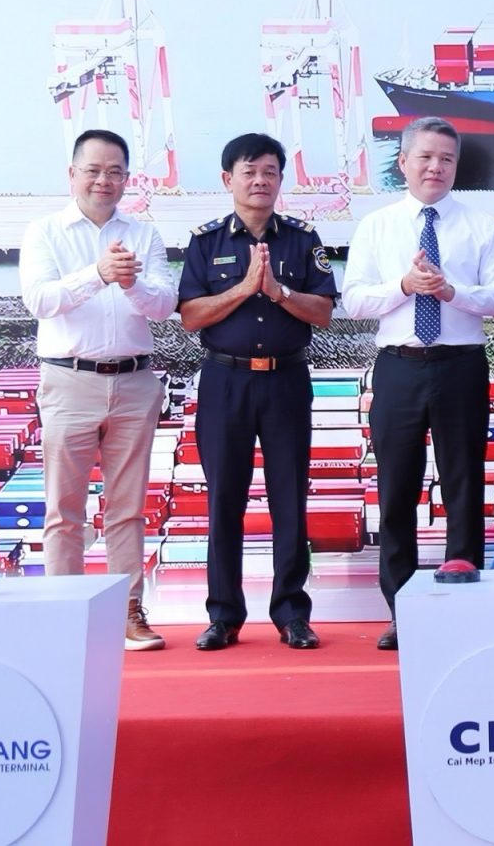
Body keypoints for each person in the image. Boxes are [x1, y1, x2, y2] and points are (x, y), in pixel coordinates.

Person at [341, 117, 494, 652]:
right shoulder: (377, 226)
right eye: (425, 157)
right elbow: (354, 300)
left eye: (446, 159)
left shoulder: (481, 226)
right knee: (396, 488)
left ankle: (463, 600)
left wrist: (451, 292)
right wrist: (404, 285)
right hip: (398, 366)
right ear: (403, 163)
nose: (435, 167)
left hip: (460, 364)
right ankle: (402, 610)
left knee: (464, 484)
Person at [178, 132, 337, 652]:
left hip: (286, 380)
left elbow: (323, 312)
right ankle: (224, 615)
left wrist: (278, 291)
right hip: (225, 381)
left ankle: (292, 613)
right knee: (224, 498)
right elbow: (190, 316)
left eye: (270, 171)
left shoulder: (302, 239)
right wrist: (245, 289)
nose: (260, 181)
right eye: (249, 172)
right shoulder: (206, 242)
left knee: (289, 497)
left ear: (281, 179)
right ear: (229, 179)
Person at [17, 129, 176, 652]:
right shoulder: (44, 232)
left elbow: (164, 306)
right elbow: (40, 300)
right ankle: (64, 614)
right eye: (93, 170)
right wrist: (98, 274)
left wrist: (131, 284)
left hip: (134, 381)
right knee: (64, 508)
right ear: (72, 174)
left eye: (115, 172)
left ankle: (128, 610)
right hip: (68, 380)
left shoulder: (144, 234)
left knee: (128, 507)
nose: (104, 180)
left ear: (127, 179)